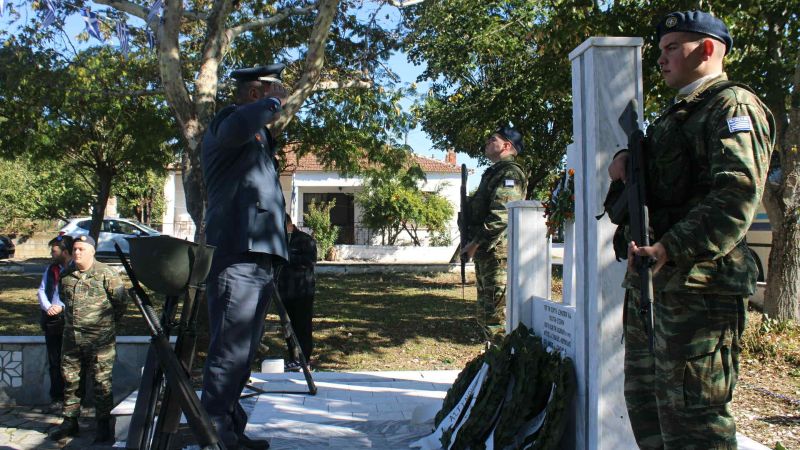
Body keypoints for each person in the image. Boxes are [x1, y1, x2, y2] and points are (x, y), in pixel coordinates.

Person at [606, 11, 775, 449]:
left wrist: (670, 247)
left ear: (707, 49)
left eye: (672, 48)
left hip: (700, 291)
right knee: (649, 410)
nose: (661, 59)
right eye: (660, 50)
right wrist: (627, 159)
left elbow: (736, 197)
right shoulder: (678, 114)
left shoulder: (732, 106)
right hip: (656, 287)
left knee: (695, 422)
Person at [201, 64, 289, 450]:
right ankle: (214, 435)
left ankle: (231, 430)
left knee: (244, 352)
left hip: (260, 255)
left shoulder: (257, 136)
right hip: (236, 253)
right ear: (256, 95)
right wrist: (273, 103)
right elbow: (237, 128)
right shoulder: (229, 121)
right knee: (229, 350)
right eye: (275, 93)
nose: (281, 100)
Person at [48, 235, 128, 443]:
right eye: (75, 249)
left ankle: (103, 425)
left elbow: (120, 303)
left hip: (99, 340)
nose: (77, 253)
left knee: (101, 382)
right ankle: (70, 422)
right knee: (71, 381)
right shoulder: (66, 274)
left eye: (82, 249)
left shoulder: (106, 273)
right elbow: (65, 300)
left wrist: (105, 326)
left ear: (92, 251)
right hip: (72, 339)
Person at [463, 127, 527, 336]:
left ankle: (502, 355)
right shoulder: (494, 172)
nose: (487, 143)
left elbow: (501, 214)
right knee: (485, 314)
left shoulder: (510, 173)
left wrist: (475, 243)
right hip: (487, 252)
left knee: (496, 318)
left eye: (493, 140)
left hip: (497, 252)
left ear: (507, 145)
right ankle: (492, 355)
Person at [37, 235, 73, 410]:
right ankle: (57, 397)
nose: (52, 254)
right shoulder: (51, 269)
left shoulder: (76, 269)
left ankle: (74, 399)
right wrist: (48, 307)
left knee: (72, 362)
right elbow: (42, 290)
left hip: (70, 320)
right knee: (54, 361)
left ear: (64, 252)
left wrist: (62, 307)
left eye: (54, 251)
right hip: (52, 320)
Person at [277, 214, 317, 371]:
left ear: (288, 224)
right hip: (284, 291)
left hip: (302, 292)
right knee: (288, 327)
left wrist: (287, 256)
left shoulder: (305, 240)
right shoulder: (279, 240)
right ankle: (293, 358)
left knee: (302, 326)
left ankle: (304, 359)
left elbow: (310, 261)